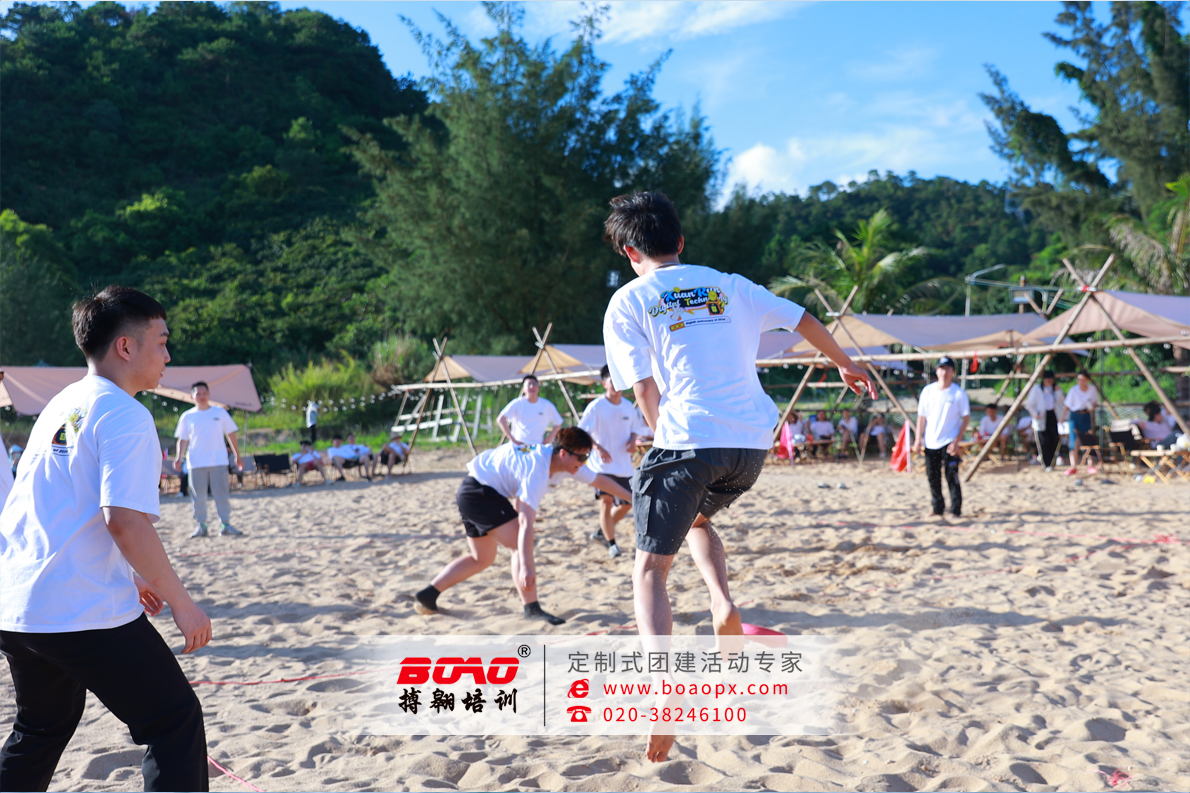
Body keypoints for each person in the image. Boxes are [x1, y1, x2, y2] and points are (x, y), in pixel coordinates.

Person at [600, 191, 874, 763]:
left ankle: (662, 689)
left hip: (688, 441)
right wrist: (845, 363)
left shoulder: (628, 301)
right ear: (680, 241)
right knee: (697, 520)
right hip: (749, 446)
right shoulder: (728, 284)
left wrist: (664, 443)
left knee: (649, 570)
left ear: (630, 252)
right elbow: (803, 318)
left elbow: (644, 388)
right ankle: (722, 602)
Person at [0, 286, 210, 792]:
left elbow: (54, 508)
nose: (168, 356)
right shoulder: (124, 413)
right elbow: (125, 521)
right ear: (125, 346)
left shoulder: (62, 402)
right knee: (173, 720)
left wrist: (131, 575)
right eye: (162, 342)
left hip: (17, 603)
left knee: (41, 728)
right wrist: (182, 603)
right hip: (76, 608)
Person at [413, 427, 631, 625]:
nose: (584, 462)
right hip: (480, 494)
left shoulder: (565, 463)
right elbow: (526, 521)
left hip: (473, 490)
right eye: (582, 457)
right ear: (564, 453)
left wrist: (632, 497)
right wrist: (526, 566)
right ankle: (531, 608)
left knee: (482, 558)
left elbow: (599, 481)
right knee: (520, 545)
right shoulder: (538, 469)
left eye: (587, 457)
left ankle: (428, 595)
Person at [580, 365, 649, 559]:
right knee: (607, 501)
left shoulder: (628, 407)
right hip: (601, 465)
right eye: (612, 381)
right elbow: (582, 432)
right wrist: (597, 447)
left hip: (623, 465)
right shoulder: (596, 407)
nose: (616, 385)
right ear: (604, 384)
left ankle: (601, 532)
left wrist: (632, 440)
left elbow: (636, 429)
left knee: (627, 503)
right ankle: (612, 544)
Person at [173, 381, 243, 538]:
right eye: (198, 393)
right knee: (198, 496)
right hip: (196, 462)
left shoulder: (220, 412)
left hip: (219, 461)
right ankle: (201, 525)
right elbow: (183, 439)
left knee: (221, 494)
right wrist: (179, 457)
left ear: (209, 394)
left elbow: (231, 434)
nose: (202, 396)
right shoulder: (187, 416)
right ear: (192, 396)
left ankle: (225, 524)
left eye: (204, 393)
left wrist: (237, 455)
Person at [912, 357, 970, 520]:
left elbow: (966, 418)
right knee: (933, 476)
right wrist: (918, 438)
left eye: (947, 368)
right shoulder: (928, 391)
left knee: (952, 477)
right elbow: (921, 416)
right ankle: (937, 508)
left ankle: (955, 510)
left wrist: (957, 440)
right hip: (931, 441)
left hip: (950, 441)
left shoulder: (958, 393)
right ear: (937, 371)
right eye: (941, 368)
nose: (944, 372)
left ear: (953, 372)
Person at [497, 375, 564, 446]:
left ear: (538, 388)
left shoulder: (546, 404)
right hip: (518, 445)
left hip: (538, 445)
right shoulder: (517, 403)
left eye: (534, 384)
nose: (532, 386)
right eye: (529, 384)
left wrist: (548, 439)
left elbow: (558, 422)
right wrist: (513, 439)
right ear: (523, 389)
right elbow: (501, 419)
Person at [1060, 371, 1099, 476]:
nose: (1080, 382)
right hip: (1075, 416)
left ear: (1087, 380)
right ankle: (1073, 466)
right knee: (1074, 440)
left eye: (1083, 379)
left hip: (1086, 415)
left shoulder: (1092, 389)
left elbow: (1095, 402)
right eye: (1079, 379)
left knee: (1088, 439)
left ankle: (1090, 465)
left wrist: (1092, 408)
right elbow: (1066, 405)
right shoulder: (1073, 390)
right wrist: (1062, 418)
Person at [1024, 370, 1064, 471]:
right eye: (1047, 381)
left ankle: (1053, 462)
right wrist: (1035, 414)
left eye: (1051, 380)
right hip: (1041, 416)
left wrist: (1058, 391)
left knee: (1054, 439)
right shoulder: (1037, 389)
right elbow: (1029, 404)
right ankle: (1046, 464)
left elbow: (1062, 402)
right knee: (1044, 440)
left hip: (1053, 415)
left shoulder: (1056, 389)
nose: (1049, 383)